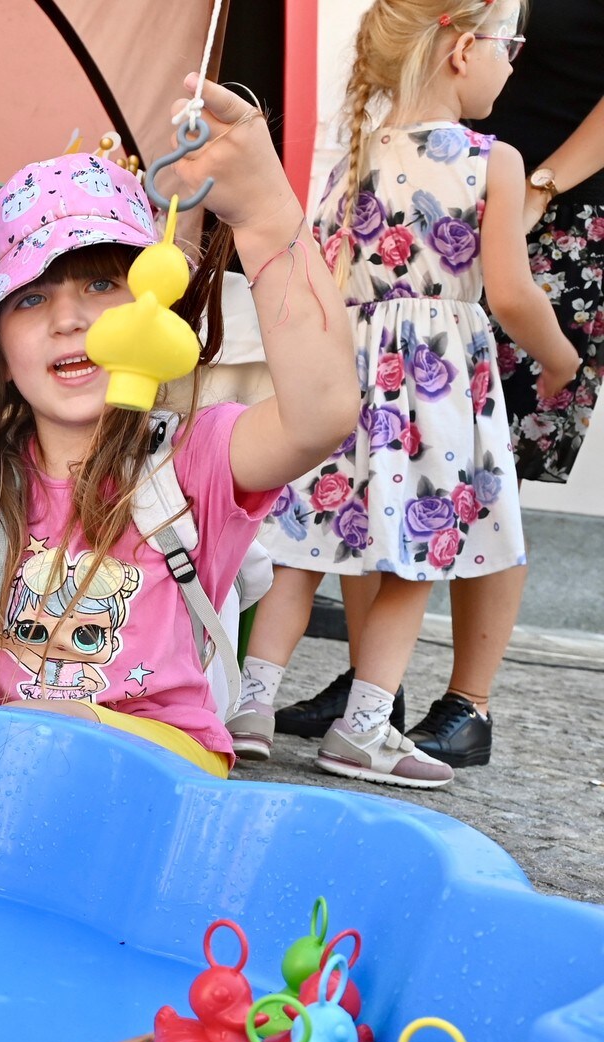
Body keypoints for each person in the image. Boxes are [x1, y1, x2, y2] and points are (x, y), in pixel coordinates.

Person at [0, 80, 360, 778]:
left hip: (166, 772)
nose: (71, 318)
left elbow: (323, 411)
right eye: (31, 296)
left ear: (152, 303)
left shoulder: (193, 457)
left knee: (45, 729)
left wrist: (266, 211)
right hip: (15, 772)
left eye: (100, 285)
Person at [236, 0, 578, 786]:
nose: (514, 61)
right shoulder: (491, 160)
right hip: (432, 392)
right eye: (509, 44)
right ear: (462, 51)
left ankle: (251, 704)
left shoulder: (358, 149)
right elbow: (514, 294)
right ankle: (363, 726)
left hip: (340, 377)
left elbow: (317, 271)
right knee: (412, 560)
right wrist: (562, 361)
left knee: (300, 549)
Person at [411, 0, 604, 767]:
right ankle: (371, 684)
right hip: (440, 184)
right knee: (397, 433)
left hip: (556, 214)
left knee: (496, 466)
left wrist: (541, 189)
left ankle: (469, 704)